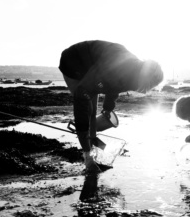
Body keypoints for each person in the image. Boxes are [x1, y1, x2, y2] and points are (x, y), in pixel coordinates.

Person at [59, 40, 163, 173]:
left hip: (94, 65)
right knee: (87, 109)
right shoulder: (119, 69)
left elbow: (115, 87)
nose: (145, 91)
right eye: (148, 86)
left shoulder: (132, 72)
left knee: (92, 111)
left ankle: (92, 144)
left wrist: (108, 108)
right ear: (145, 77)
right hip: (73, 61)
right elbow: (82, 94)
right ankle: (88, 156)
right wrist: (82, 127)